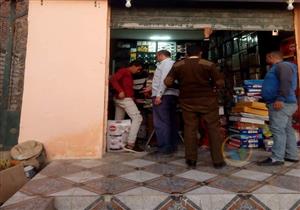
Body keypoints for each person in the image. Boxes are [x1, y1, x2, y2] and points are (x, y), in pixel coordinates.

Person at [164, 44, 226, 169]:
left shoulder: (178, 65)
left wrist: (180, 87)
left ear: (186, 53)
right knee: (213, 129)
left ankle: (191, 160)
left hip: (187, 102)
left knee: (190, 129)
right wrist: (213, 87)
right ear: (200, 53)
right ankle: (218, 161)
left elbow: (167, 82)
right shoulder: (208, 64)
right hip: (208, 101)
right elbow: (220, 82)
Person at [258, 51, 299, 166]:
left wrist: (280, 99)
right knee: (287, 129)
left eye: (267, 57)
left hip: (281, 104)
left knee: (277, 130)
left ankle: (277, 158)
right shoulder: (280, 66)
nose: (266, 59)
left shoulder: (283, 65)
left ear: (271, 56)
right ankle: (291, 155)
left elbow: (286, 82)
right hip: (285, 103)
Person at [146, 50, 180, 154]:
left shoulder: (166, 64)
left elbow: (164, 80)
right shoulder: (173, 64)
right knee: (170, 121)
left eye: (157, 56)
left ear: (161, 55)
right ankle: (171, 145)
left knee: (161, 122)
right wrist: (152, 88)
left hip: (164, 96)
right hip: (171, 95)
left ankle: (164, 147)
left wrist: (159, 95)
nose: (156, 58)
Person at [110, 60, 144, 153]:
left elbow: (127, 88)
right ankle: (130, 144)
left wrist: (134, 99)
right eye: (138, 69)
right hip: (124, 99)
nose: (138, 71)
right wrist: (120, 90)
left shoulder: (127, 73)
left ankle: (117, 144)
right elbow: (113, 79)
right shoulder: (124, 71)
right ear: (133, 66)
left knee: (118, 121)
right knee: (138, 118)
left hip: (122, 99)